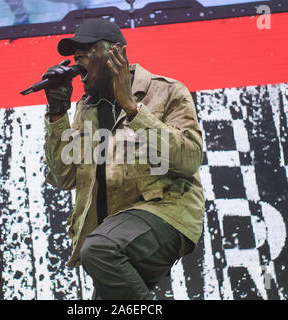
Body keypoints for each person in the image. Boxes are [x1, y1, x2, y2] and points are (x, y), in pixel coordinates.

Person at [43, 18, 205, 300]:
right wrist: (57, 113)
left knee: (98, 249)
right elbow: (63, 177)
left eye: (86, 52)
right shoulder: (85, 109)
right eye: (75, 56)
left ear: (115, 52)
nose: (77, 61)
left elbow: (190, 158)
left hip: (166, 215)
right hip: (115, 235)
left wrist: (132, 108)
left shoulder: (166, 91)